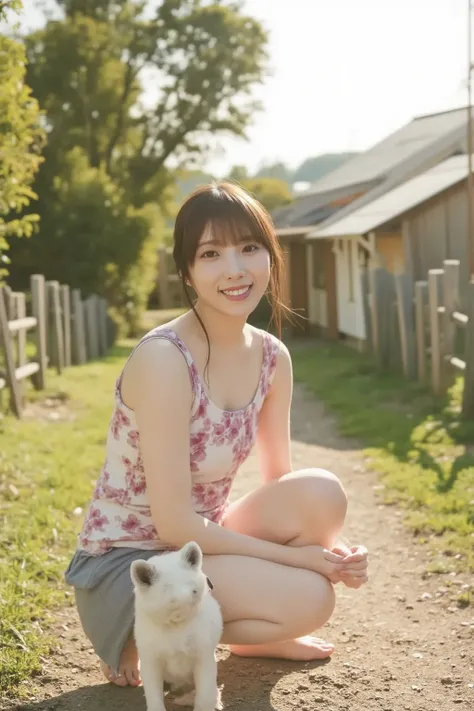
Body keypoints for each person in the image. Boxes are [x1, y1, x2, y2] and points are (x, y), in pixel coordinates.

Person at [65, 181, 369, 688]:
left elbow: (281, 485)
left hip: (195, 548)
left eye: (249, 248)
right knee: (313, 597)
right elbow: (173, 522)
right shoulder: (165, 359)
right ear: (186, 270)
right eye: (211, 253)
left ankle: (251, 631)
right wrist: (298, 561)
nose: (235, 268)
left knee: (322, 494)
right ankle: (149, 642)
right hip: (131, 569)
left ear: (271, 257)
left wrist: (337, 553)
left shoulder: (273, 357)